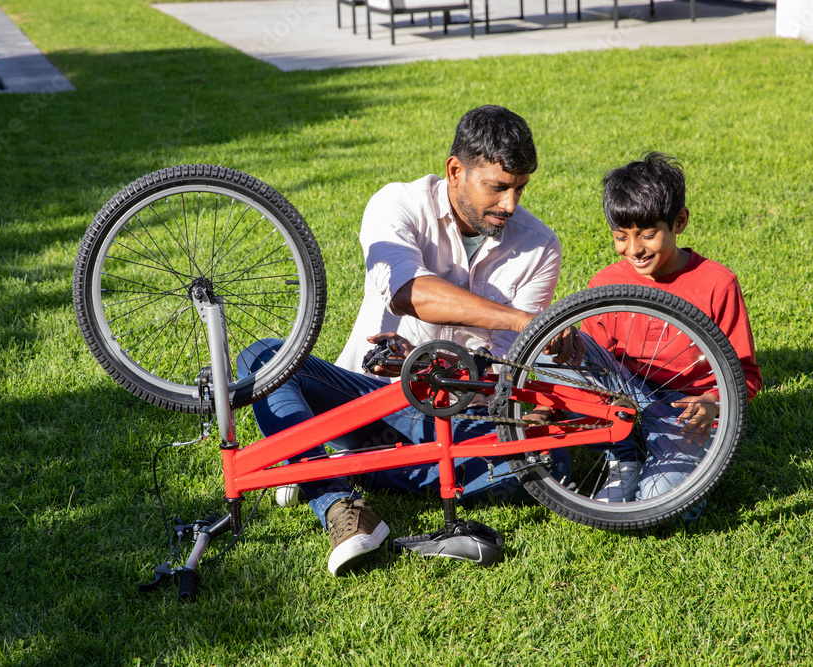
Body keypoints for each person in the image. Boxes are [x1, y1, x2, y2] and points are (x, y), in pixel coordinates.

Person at [237, 105, 568, 576]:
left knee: (548, 460)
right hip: (364, 397)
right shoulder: (397, 204)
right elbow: (408, 292)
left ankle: (320, 464)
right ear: (456, 170)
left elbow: (501, 369)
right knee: (264, 357)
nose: (511, 205)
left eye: (520, 188)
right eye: (498, 186)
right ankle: (340, 506)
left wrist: (442, 369)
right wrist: (519, 320)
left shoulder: (540, 246)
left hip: (454, 419)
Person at [545, 152, 762, 510]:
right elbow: (590, 359)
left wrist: (713, 403)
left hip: (683, 415)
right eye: (621, 236)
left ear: (679, 222)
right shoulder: (606, 282)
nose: (634, 249)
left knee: (668, 508)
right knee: (549, 345)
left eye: (648, 235)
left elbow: (746, 373)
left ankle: (653, 458)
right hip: (624, 399)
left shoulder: (717, 284)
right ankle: (624, 455)